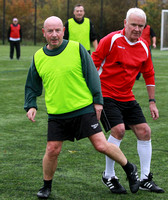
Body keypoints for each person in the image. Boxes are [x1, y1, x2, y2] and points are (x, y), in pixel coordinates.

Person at [24, 16, 140, 199]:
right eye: (50, 31)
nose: (54, 35)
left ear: (63, 30)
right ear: (43, 33)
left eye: (57, 30)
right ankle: (46, 186)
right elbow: (32, 84)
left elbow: (92, 75)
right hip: (57, 113)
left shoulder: (76, 48)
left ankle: (129, 167)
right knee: (52, 149)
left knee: (101, 145)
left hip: (83, 109)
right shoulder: (38, 56)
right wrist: (31, 105)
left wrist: (98, 100)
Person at [92, 8, 164, 194]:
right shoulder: (111, 40)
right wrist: (94, 97)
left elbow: (149, 74)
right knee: (119, 130)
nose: (137, 29)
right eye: (133, 24)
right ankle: (109, 175)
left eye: (141, 26)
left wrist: (152, 101)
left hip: (127, 96)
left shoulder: (144, 46)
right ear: (125, 23)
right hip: (106, 94)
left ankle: (145, 178)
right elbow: (94, 65)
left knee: (144, 131)